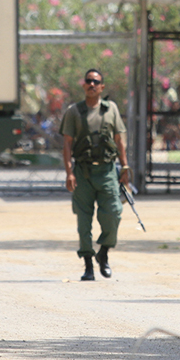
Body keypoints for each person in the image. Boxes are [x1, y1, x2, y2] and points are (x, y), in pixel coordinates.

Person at [60, 68, 130, 281]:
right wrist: (69, 173)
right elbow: (67, 144)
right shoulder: (74, 111)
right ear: (84, 85)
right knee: (84, 222)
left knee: (113, 214)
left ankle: (104, 253)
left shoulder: (111, 109)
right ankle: (88, 265)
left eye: (96, 81)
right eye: (88, 81)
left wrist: (125, 168)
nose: (91, 84)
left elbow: (119, 140)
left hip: (107, 171)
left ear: (102, 87)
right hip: (83, 173)